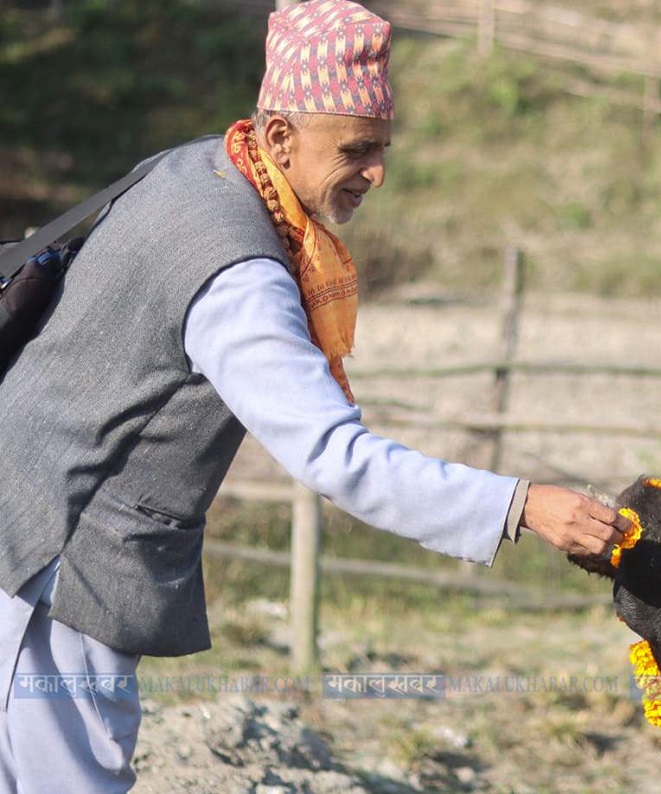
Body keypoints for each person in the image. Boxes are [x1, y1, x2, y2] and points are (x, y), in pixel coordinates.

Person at [0, 1, 629, 791]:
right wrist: (521, 504)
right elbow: (334, 457)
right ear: (279, 137)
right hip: (60, 555)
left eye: (382, 148)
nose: (376, 173)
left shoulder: (200, 164)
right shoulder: (237, 276)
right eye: (356, 149)